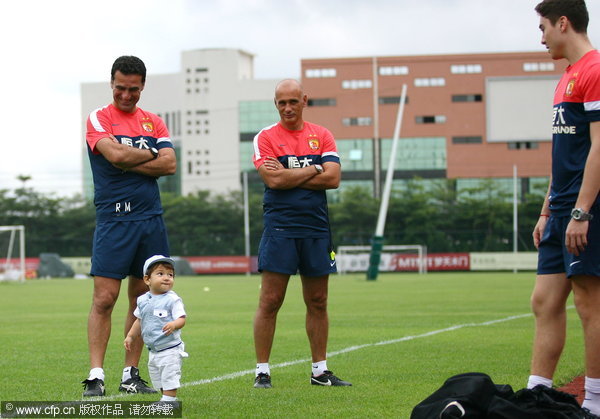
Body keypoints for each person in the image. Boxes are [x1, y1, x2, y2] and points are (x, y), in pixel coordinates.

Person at [82, 56, 177, 397]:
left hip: (150, 221)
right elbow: (116, 157)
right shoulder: (98, 118)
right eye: (120, 87)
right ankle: (96, 375)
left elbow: (170, 164)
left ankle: (130, 375)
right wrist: (148, 155)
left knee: (143, 301)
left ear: (142, 87)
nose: (126, 95)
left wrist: (133, 156)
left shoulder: (153, 122)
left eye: (133, 89)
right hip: (114, 220)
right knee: (104, 298)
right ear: (112, 83)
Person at [251, 79, 351, 388]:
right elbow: (274, 182)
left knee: (318, 300)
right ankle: (262, 371)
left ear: (304, 100)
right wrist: (315, 169)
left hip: (316, 228)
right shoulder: (265, 138)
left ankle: (320, 371)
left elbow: (334, 179)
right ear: (275, 104)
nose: (288, 108)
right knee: (271, 300)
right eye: (282, 102)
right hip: (280, 228)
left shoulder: (321, 135)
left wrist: (290, 174)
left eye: (293, 101)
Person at [528, 0, 600, 415]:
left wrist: (581, 211)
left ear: (564, 22)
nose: (541, 39)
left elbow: (599, 147)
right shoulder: (566, 77)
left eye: (543, 28)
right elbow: (564, 154)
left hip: (583, 213)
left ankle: (593, 402)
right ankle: (537, 393)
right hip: (559, 213)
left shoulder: (594, 69)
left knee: (589, 304)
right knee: (544, 301)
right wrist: (546, 211)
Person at [124, 255, 187, 404]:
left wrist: (174, 324)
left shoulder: (172, 299)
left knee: (169, 375)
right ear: (147, 280)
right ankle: (165, 399)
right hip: (153, 349)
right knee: (157, 377)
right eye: (160, 274)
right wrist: (131, 336)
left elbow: (182, 319)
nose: (166, 278)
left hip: (170, 348)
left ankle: (169, 401)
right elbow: (139, 320)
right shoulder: (142, 300)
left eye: (170, 275)